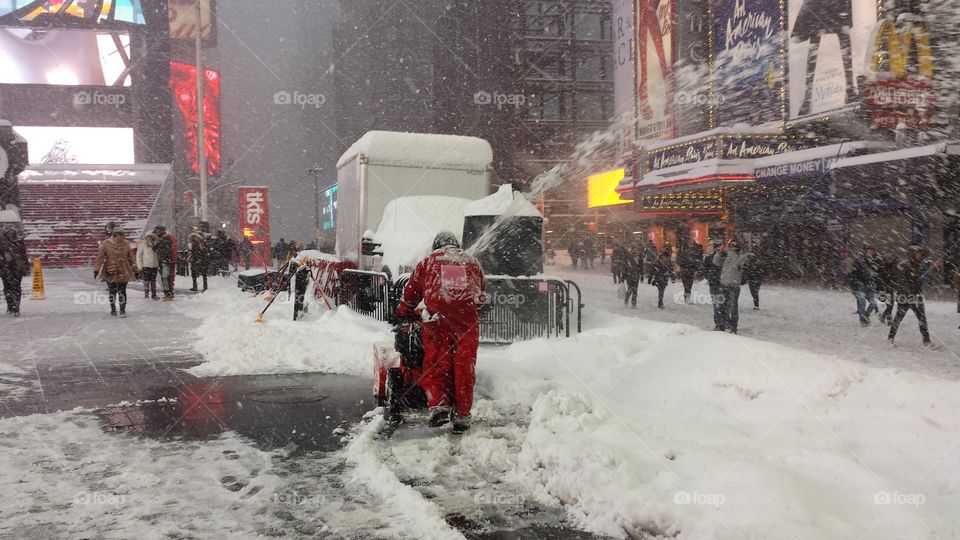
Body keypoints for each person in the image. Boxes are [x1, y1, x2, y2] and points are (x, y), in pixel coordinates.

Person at [396, 232, 484, 433]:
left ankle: (439, 407)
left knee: (437, 361)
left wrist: (404, 311)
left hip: (438, 320)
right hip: (466, 323)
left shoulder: (429, 261)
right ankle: (462, 416)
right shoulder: (473, 262)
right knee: (464, 366)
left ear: (436, 245)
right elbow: (480, 296)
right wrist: (468, 313)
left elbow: (412, 291)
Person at [888, 246, 933, 347]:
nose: (921, 256)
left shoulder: (920, 266)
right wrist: (910, 293)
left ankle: (927, 341)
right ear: (913, 253)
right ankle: (890, 338)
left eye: (922, 254)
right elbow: (902, 282)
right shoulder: (903, 265)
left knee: (922, 319)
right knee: (898, 318)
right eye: (919, 253)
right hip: (905, 297)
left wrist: (924, 282)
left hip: (917, 296)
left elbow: (920, 281)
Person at [93, 229, 138, 317]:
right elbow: (100, 257)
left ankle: (122, 310)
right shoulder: (106, 244)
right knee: (112, 291)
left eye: (122, 237)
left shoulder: (126, 244)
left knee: (122, 291)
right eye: (119, 237)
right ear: (114, 236)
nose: (121, 239)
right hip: (110, 270)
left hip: (123, 270)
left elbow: (131, 258)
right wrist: (96, 270)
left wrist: (136, 270)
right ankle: (113, 309)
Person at [713, 239, 754, 334]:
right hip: (726, 285)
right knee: (726, 307)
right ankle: (725, 326)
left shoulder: (739, 257)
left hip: (732, 286)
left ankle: (730, 326)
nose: (733, 248)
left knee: (729, 307)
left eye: (734, 246)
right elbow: (715, 262)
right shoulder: (727, 255)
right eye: (732, 246)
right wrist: (719, 252)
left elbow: (747, 263)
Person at [0, 225, 29, 317]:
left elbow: (24, 254)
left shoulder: (19, 242)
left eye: (12, 232)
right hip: (5, 268)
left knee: (16, 287)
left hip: (17, 268)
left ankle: (16, 307)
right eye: (9, 232)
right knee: (7, 287)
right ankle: (10, 306)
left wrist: (26, 266)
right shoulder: (1, 242)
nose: (11, 234)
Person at [850, 245, 879, 327]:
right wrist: (855, 282)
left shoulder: (875, 260)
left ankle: (865, 315)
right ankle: (862, 319)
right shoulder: (860, 260)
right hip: (861, 284)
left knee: (873, 303)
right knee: (862, 303)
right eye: (869, 250)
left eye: (872, 250)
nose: (870, 252)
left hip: (871, 284)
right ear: (866, 251)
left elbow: (877, 272)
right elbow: (855, 272)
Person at [703, 240, 725, 330]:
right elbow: (704, 269)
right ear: (715, 248)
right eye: (717, 247)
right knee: (716, 304)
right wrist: (709, 277)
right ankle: (718, 323)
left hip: (723, 284)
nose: (718, 249)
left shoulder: (725, 257)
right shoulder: (709, 258)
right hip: (714, 284)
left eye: (720, 247)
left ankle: (723, 323)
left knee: (723, 304)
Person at [153, 225, 177, 301]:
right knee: (166, 278)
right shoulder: (165, 238)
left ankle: (168, 294)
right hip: (166, 261)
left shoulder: (164, 239)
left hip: (165, 262)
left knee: (165, 278)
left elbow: (156, 249)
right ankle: (169, 293)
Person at [136, 233, 159, 300]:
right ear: (146, 237)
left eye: (151, 237)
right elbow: (139, 256)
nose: (150, 238)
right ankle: (146, 294)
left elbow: (158, 255)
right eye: (148, 237)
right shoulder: (142, 245)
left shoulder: (156, 245)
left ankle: (154, 294)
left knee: (153, 280)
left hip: (155, 265)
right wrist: (140, 266)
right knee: (146, 280)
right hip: (146, 265)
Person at [623, 244, 642, 308]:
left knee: (635, 290)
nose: (636, 250)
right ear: (632, 249)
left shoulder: (639, 257)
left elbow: (641, 267)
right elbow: (626, 267)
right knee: (630, 289)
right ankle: (626, 300)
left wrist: (642, 275)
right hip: (630, 275)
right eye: (635, 249)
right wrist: (624, 276)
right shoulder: (628, 256)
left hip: (636, 275)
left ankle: (633, 304)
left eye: (637, 249)